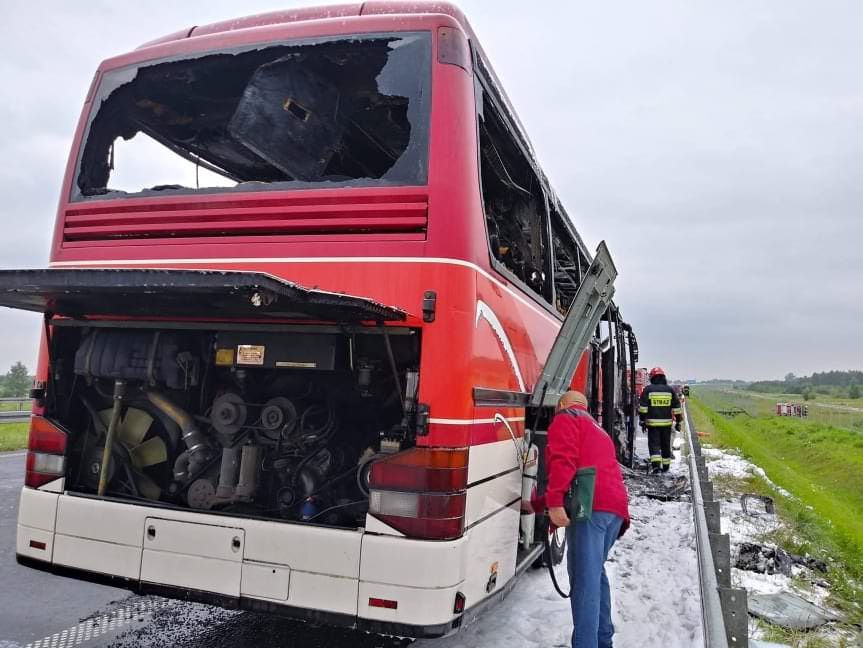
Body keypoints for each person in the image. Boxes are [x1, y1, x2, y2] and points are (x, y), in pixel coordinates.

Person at [523, 390, 630, 648]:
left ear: (561, 404)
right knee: (595, 576)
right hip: (614, 512)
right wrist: (536, 505)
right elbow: (578, 471)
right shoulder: (598, 430)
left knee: (583, 582)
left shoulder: (565, 418)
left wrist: (555, 502)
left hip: (590, 508)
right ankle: (603, 640)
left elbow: (564, 462)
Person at [638, 367, 683, 474]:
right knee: (665, 445)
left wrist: (643, 421)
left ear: (652, 377)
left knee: (654, 445)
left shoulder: (648, 390)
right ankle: (666, 467)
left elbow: (643, 408)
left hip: (652, 424)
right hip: (666, 424)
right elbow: (677, 407)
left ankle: (656, 467)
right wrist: (678, 422)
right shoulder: (670, 390)